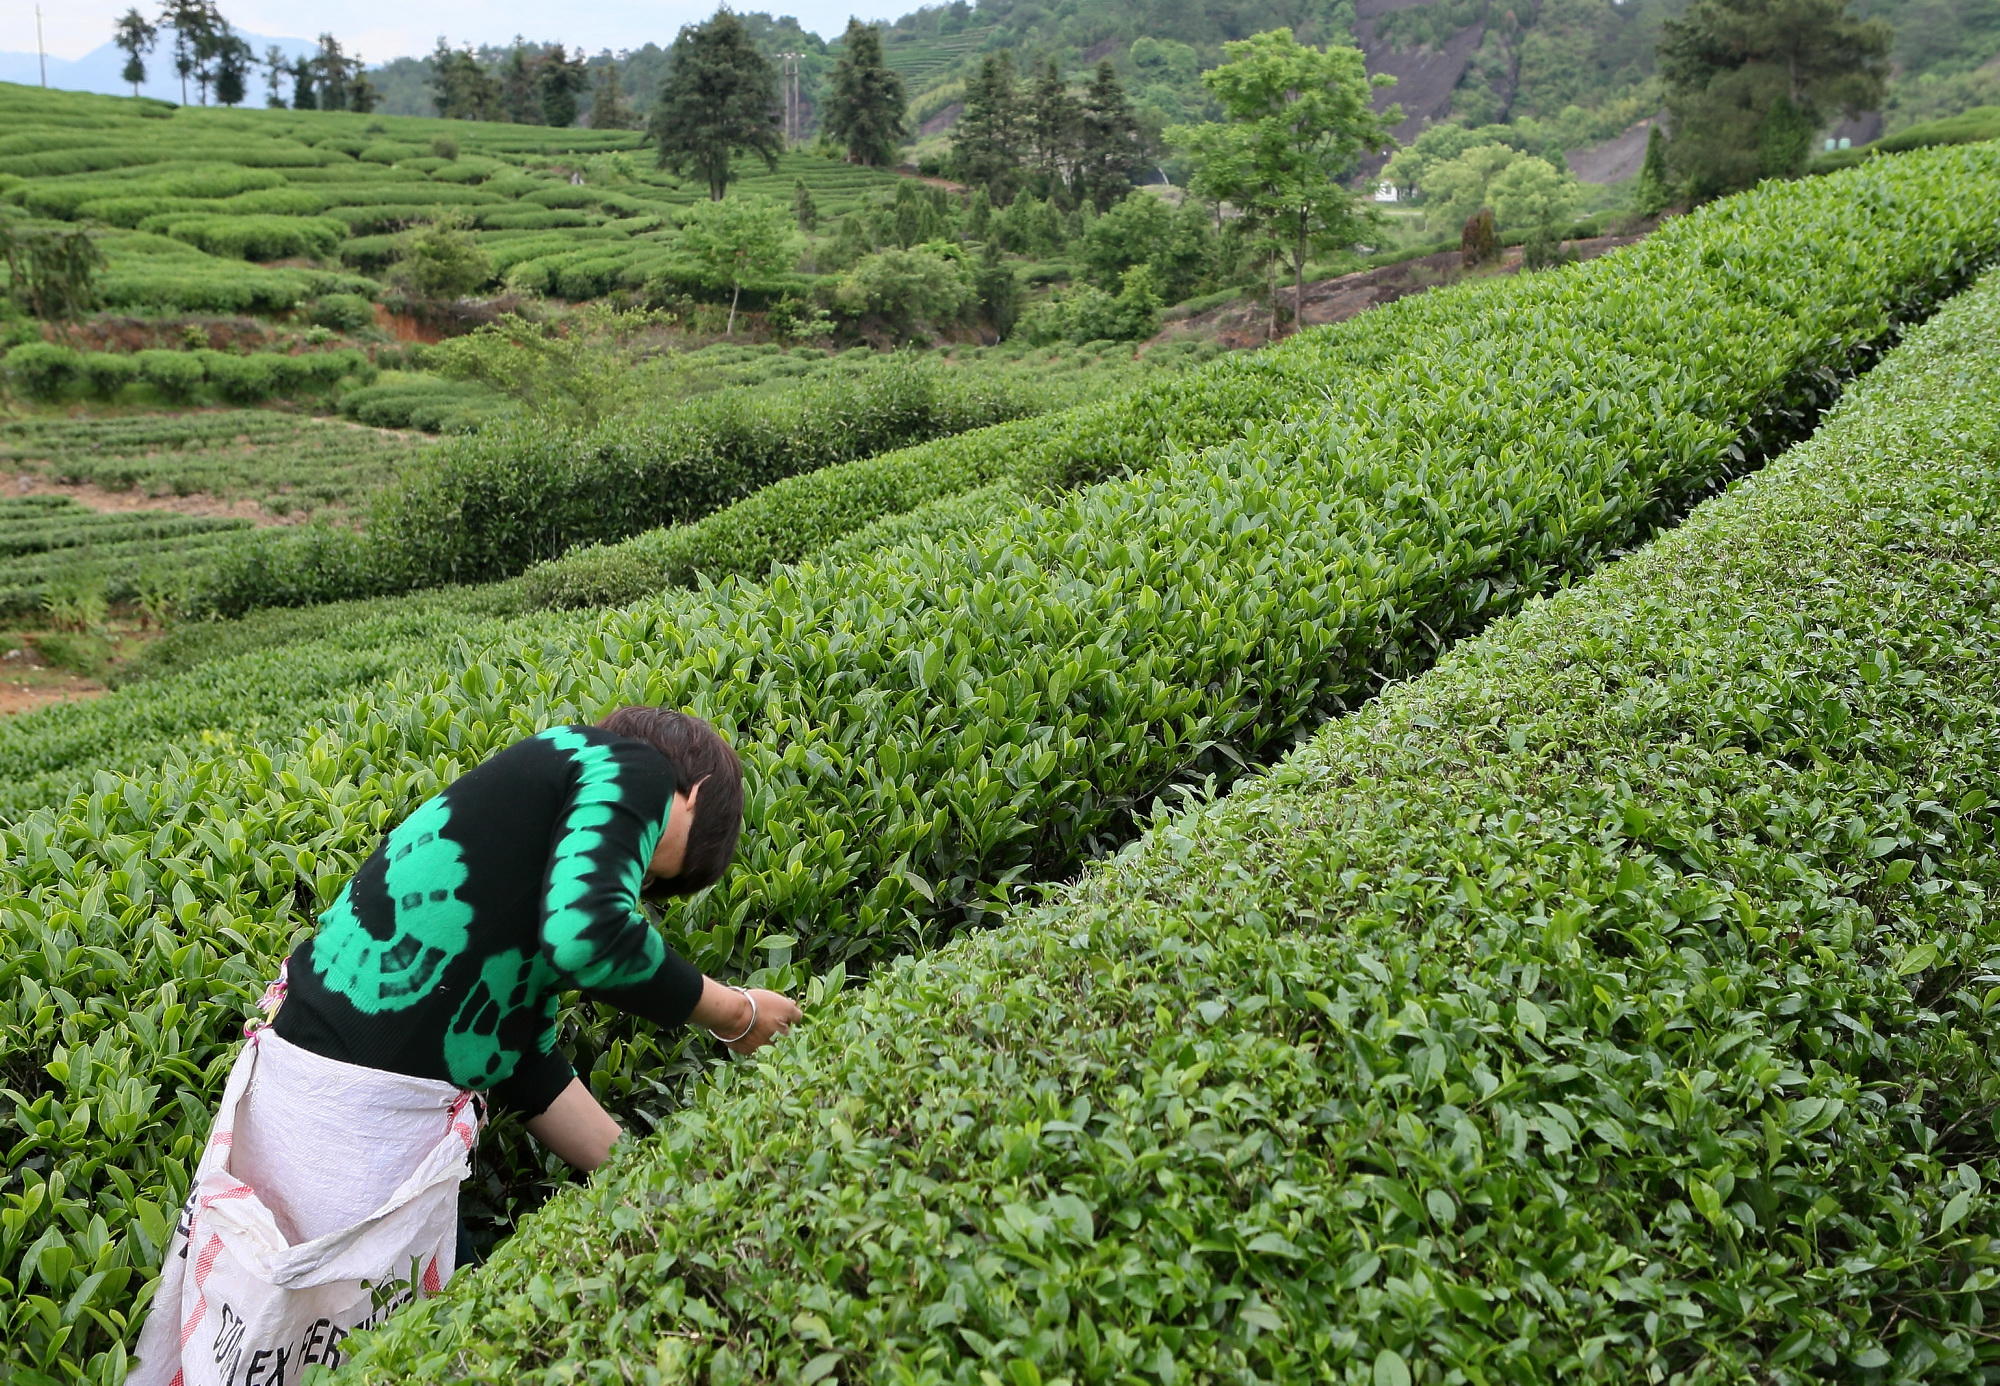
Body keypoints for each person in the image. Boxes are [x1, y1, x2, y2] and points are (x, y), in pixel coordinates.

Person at [129, 707, 798, 1386]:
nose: (645, 887)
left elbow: (525, 1065)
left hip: (332, 1121)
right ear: (694, 792)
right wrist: (735, 1014)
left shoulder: (526, 879)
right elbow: (592, 935)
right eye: (656, 872)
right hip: (343, 1123)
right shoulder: (634, 766)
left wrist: (647, 1178)